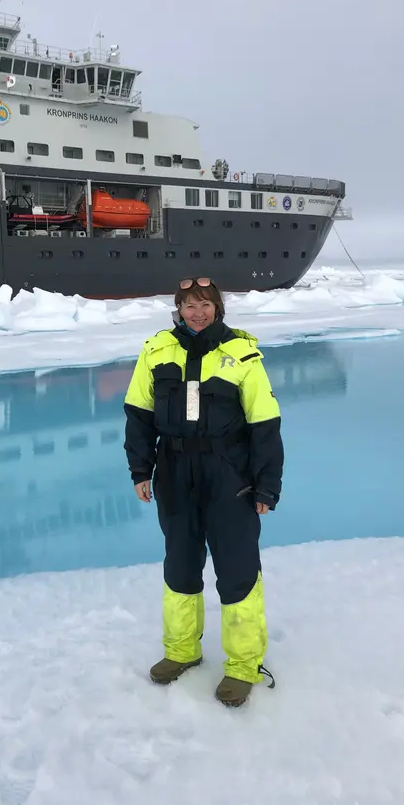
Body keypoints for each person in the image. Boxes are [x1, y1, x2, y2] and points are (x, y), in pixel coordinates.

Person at [123, 277, 283, 707]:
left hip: (228, 475)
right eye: (189, 305)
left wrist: (267, 484)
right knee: (180, 565)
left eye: (205, 305)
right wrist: (142, 469)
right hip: (174, 473)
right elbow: (138, 415)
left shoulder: (242, 354)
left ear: (218, 309)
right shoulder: (156, 350)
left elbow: (265, 425)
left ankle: (243, 665)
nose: (197, 312)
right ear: (177, 307)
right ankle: (181, 652)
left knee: (237, 569)